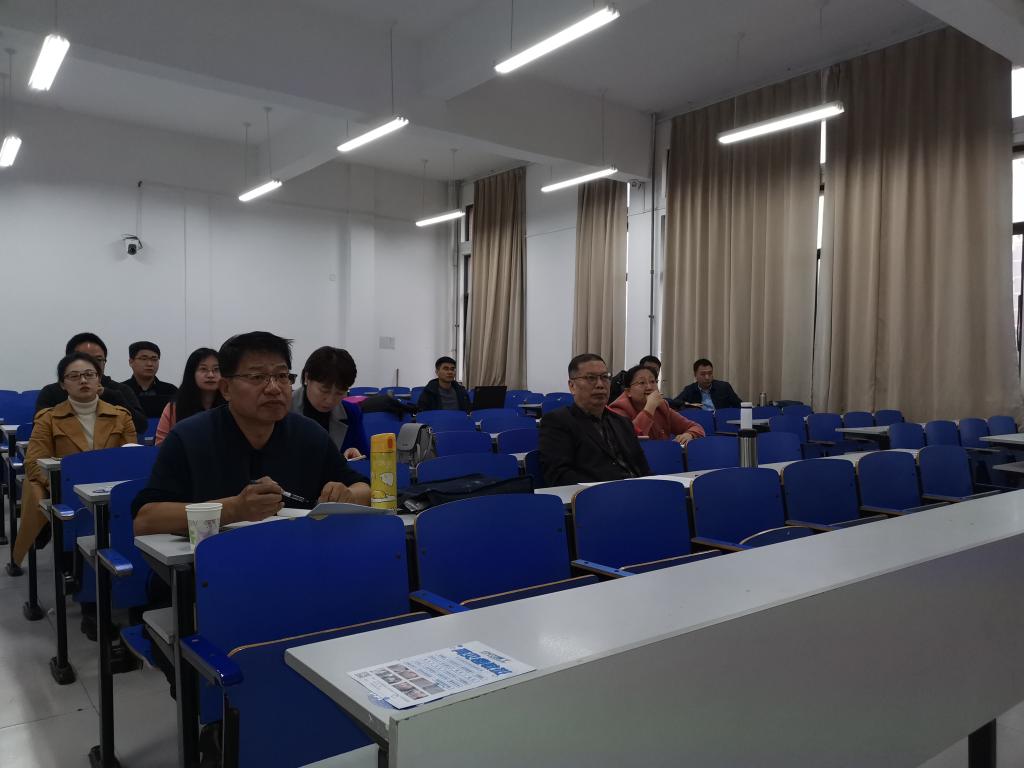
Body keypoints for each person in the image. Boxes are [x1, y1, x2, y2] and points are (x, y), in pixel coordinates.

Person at [132, 331, 370, 536]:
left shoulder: (309, 434)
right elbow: (145, 520)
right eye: (257, 377)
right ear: (226, 388)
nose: (274, 388)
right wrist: (235, 509)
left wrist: (347, 495)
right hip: (212, 563)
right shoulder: (189, 437)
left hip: (293, 557)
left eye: (282, 376)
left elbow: (365, 489)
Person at [14, 352, 137, 564]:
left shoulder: (121, 416)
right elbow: (33, 463)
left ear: (98, 379)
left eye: (89, 374)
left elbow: (131, 458)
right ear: (63, 384)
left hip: (111, 491)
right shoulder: (48, 418)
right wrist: (59, 484)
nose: (83, 380)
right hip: (68, 492)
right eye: (74, 376)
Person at [538, 353, 651, 486]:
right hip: (596, 494)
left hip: (637, 490)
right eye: (591, 378)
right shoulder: (557, 422)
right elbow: (559, 475)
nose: (600, 385)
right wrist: (607, 488)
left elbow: (643, 469)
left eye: (604, 377)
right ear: (572, 386)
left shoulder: (622, 422)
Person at [35, 332, 147, 434]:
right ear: (68, 361)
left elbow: (141, 427)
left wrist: (108, 395)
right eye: (84, 359)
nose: (92, 364)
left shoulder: (120, 390)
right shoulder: (52, 392)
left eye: (98, 359)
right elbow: (40, 430)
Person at [291, 346, 368, 459]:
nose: (330, 400)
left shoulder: (351, 413)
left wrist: (354, 455)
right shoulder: (282, 409)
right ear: (307, 377)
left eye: (339, 393)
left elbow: (365, 459)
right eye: (324, 391)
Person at [608, 364, 706, 444]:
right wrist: (649, 408)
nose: (649, 387)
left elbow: (696, 427)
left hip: (661, 457)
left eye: (652, 381)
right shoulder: (618, 410)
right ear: (628, 391)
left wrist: (689, 434)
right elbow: (628, 440)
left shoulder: (661, 406)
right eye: (642, 383)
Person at [155, 347, 225, 445]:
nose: (210, 375)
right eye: (203, 369)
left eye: (216, 369)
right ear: (191, 374)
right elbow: (161, 445)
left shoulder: (232, 405)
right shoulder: (174, 408)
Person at [121, 341, 178, 420]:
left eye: (154, 359)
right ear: (131, 362)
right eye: (144, 359)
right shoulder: (121, 391)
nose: (149, 364)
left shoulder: (171, 391)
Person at [674, 358, 742, 411]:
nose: (707, 377)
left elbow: (740, 406)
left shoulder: (724, 387)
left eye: (710, 373)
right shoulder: (690, 390)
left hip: (720, 420)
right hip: (701, 420)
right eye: (703, 374)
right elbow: (675, 403)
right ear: (695, 375)